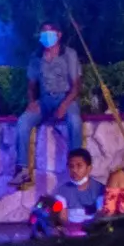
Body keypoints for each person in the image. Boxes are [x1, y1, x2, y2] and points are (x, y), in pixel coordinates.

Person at [12, 22, 83, 186]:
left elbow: (76, 86)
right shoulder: (36, 57)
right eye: (43, 32)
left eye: (49, 32)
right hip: (45, 99)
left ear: (59, 35)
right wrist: (31, 102)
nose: (46, 36)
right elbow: (31, 85)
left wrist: (64, 105)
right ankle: (22, 169)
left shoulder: (69, 54)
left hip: (66, 97)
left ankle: (77, 164)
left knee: (74, 120)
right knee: (23, 122)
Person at [53, 148, 106, 224]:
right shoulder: (61, 191)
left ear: (89, 168)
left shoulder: (100, 189)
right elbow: (63, 218)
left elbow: (101, 215)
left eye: (79, 166)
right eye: (71, 166)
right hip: (71, 232)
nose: (74, 170)